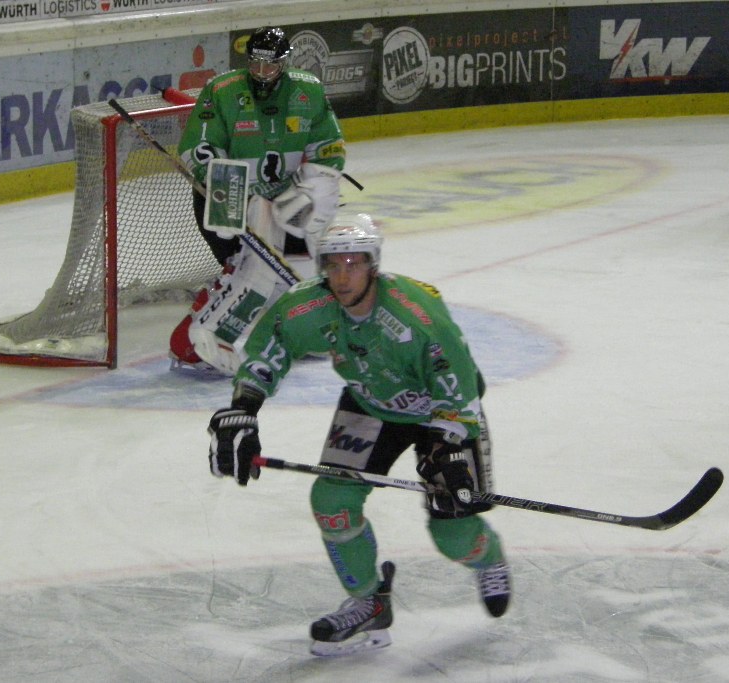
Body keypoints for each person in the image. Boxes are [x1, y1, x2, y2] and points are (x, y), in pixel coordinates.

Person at [207, 214, 511, 656]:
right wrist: (244, 408)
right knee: (331, 501)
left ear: (373, 265)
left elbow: (460, 385)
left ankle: (489, 558)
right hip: (370, 403)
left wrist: (447, 445)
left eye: (353, 263)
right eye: (333, 264)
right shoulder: (309, 305)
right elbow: (273, 347)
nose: (343, 276)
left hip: (442, 413)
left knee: (453, 533)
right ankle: (370, 600)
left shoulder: (417, 316)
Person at [170, 26, 347, 372]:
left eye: (271, 65)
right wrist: (229, 189)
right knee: (249, 272)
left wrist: (309, 189)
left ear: (285, 63)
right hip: (228, 196)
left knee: (295, 272)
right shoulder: (222, 90)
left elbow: (329, 147)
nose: (262, 73)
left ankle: (299, 330)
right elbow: (198, 146)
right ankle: (199, 338)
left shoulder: (308, 91)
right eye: (255, 64)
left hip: (284, 200)